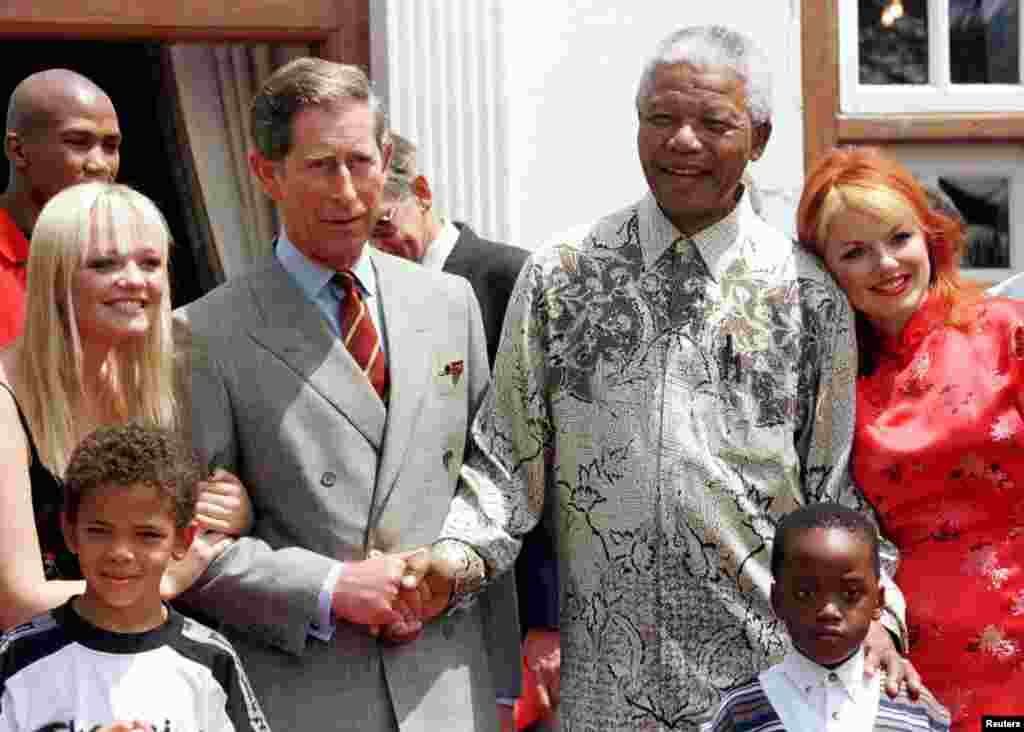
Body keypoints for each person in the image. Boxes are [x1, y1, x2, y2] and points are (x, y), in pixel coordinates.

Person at [467, 25, 918, 731]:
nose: (683, 141)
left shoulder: (807, 295)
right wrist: (445, 560)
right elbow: (504, 465)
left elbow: (832, 489)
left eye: (714, 123)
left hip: (764, 678)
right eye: (661, 119)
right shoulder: (563, 275)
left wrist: (881, 614)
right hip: (604, 683)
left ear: (759, 139)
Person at [175, 57, 512, 732]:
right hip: (306, 694)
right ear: (264, 173)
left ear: (387, 159)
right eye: (321, 166)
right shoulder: (204, 333)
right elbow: (189, 549)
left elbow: (495, 479)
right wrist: (331, 589)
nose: (349, 192)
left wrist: (455, 577)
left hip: (447, 688)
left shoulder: (451, 304)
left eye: (362, 162)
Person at [797, 145, 1024, 729]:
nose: (886, 264)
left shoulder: (1007, 334)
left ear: (930, 237)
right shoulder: (836, 384)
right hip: (908, 656)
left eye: (899, 238)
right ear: (827, 271)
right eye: (855, 251)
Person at [0, 181, 249, 631]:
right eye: (104, 264)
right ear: (54, 279)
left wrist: (228, 511)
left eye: (150, 263)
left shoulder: (151, 382)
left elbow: (168, 524)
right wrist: (160, 580)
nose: (135, 279)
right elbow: (16, 599)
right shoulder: (4, 404)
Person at [373, 132, 559, 731]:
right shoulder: (363, 287)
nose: (374, 247)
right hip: (403, 591)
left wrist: (546, 616)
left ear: (421, 193)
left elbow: (547, 459)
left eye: (382, 225)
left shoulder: (509, 277)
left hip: (504, 592)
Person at [0, 422, 269, 732]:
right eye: (100, 531)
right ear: (70, 532)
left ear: (183, 539)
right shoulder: (17, 656)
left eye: (147, 535)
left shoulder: (210, 660)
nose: (121, 552)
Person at [702, 503, 950, 731]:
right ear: (777, 600)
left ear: (878, 600)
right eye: (805, 593)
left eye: (851, 593)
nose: (829, 611)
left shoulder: (914, 707)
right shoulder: (740, 712)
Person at [0, 69, 122, 348]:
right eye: (78, 142)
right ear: (18, 151)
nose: (100, 164)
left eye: (111, 146)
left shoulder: (124, 259)